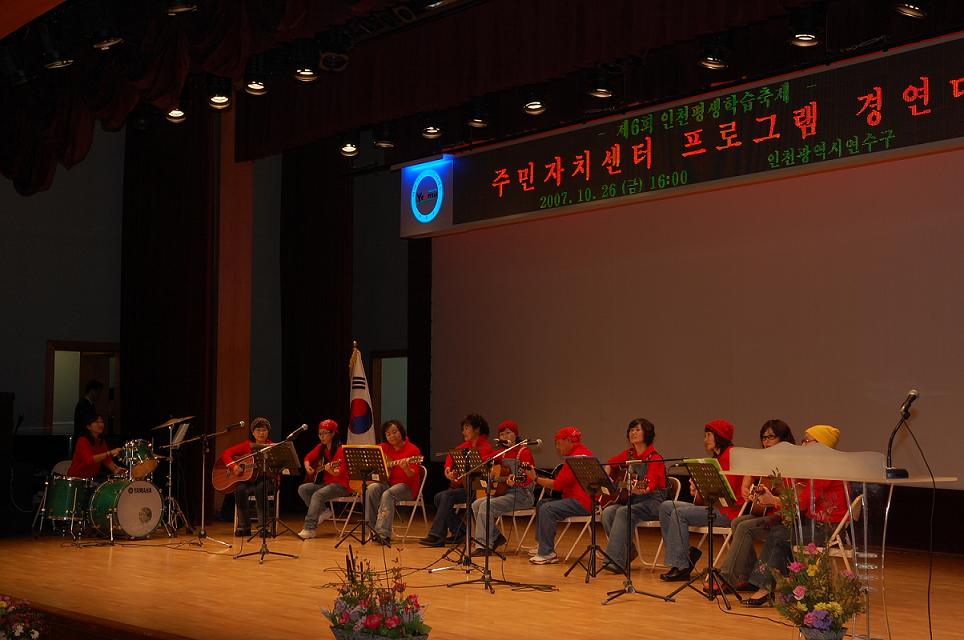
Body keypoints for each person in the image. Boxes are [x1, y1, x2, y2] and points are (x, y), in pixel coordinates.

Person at [742, 425, 850, 607]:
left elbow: (801, 503)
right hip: (816, 523)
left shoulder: (827, 470)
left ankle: (766, 588)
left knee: (779, 535)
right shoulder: (821, 468)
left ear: (821, 445)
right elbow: (800, 500)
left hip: (828, 529)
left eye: (807, 441)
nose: (803, 444)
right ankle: (784, 585)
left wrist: (774, 500)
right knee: (780, 532)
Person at [713, 419, 796, 594]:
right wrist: (746, 487)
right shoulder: (764, 459)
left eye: (771, 437)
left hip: (784, 517)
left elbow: (792, 498)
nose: (766, 442)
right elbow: (750, 473)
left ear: (784, 439)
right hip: (768, 512)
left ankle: (727, 577)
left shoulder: (793, 463)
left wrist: (772, 498)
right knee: (737, 523)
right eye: (763, 438)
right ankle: (748, 574)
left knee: (744, 527)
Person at [657, 419, 746, 582]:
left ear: (719, 436)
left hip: (728, 512)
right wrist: (697, 491)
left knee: (679, 513)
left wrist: (701, 491)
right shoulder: (717, 459)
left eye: (708, 435)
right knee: (665, 507)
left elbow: (726, 495)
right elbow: (705, 500)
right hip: (714, 508)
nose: (705, 439)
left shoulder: (731, 456)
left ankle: (682, 565)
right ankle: (685, 555)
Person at [599, 418, 668, 573]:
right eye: (631, 430)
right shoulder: (629, 454)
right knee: (608, 513)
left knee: (624, 512)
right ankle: (628, 552)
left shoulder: (655, 458)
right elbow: (610, 463)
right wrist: (607, 479)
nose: (633, 433)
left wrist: (640, 489)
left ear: (647, 434)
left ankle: (615, 561)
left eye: (637, 429)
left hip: (653, 502)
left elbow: (650, 485)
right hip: (634, 499)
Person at [419, 413, 494, 547]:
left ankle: (437, 535)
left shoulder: (486, 448)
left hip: (479, 490)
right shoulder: (464, 446)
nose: (463, 431)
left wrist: (461, 473)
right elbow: (451, 456)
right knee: (438, 498)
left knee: (446, 496)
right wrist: (448, 470)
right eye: (463, 428)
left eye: (467, 427)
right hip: (466, 488)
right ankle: (461, 531)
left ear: (477, 429)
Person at [527, 426, 595, 565]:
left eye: (558, 443)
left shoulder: (575, 458)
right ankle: (542, 545)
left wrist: (535, 479)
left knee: (547, 508)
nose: (557, 447)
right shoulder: (583, 453)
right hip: (579, 500)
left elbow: (558, 485)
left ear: (568, 440)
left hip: (582, 502)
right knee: (542, 504)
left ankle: (547, 553)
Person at [469, 419, 536, 555]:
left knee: (486, 505)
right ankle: (495, 536)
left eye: (508, 433)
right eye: (502, 434)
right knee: (476, 504)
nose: (505, 436)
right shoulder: (502, 452)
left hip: (522, 494)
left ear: (516, 435)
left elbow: (530, 478)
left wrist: (517, 482)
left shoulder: (523, 452)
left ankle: (483, 545)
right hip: (505, 492)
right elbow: (484, 460)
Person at [366, 420, 422, 546]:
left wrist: (406, 468)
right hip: (388, 483)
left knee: (388, 494)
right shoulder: (383, 448)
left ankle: (383, 534)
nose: (392, 436)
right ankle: (372, 530)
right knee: (372, 488)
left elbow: (412, 474)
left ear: (401, 432)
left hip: (407, 487)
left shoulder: (412, 450)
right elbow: (370, 457)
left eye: (395, 432)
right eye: (388, 434)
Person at [220, 417, 277, 537]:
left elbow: (277, 466)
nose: (261, 433)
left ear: (268, 432)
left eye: (264, 430)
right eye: (258, 430)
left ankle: (263, 527)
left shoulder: (273, 446)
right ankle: (244, 526)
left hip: (268, 480)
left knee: (260, 488)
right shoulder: (247, 445)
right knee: (240, 489)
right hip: (250, 480)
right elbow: (226, 454)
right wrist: (234, 467)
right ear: (253, 432)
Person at [297, 419, 351, 539]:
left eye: (325, 433)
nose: (322, 436)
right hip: (326, 483)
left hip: (342, 485)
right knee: (303, 489)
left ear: (333, 433)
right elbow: (307, 458)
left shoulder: (341, 450)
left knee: (317, 495)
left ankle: (309, 528)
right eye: (320, 434)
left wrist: (329, 469)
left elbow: (337, 474)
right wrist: (308, 467)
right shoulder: (321, 447)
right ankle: (323, 511)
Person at [67, 414, 125, 478]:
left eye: (101, 422)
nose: (100, 424)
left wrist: (116, 470)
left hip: (90, 479)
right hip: (76, 479)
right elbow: (89, 460)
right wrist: (110, 452)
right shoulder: (82, 440)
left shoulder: (101, 441)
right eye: (97, 422)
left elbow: (107, 461)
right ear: (88, 426)